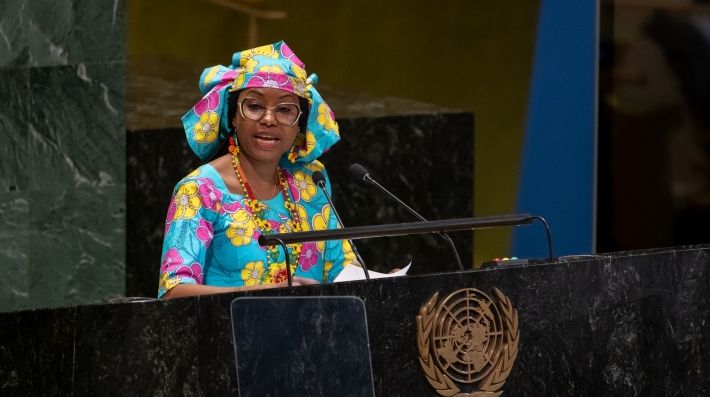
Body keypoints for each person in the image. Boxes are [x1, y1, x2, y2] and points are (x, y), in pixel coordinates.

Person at [158, 41, 359, 299]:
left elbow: (342, 270)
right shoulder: (199, 191)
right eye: (254, 106)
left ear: (300, 124)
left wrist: (382, 282)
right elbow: (174, 292)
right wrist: (264, 293)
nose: (269, 119)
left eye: (285, 110)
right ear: (233, 116)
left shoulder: (311, 183)